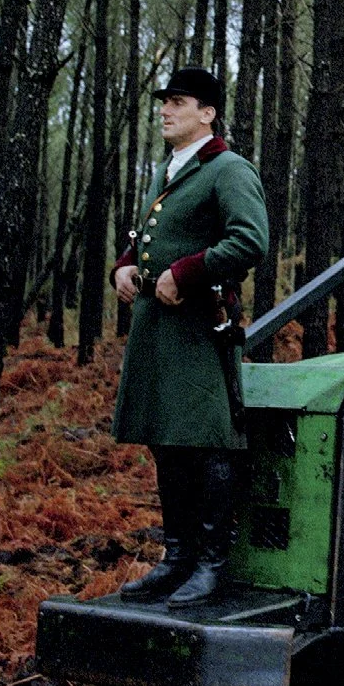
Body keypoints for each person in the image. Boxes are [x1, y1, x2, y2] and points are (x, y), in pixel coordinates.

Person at [110, 67, 268, 606]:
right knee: (166, 442)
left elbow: (249, 241)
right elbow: (150, 234)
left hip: (202, 327)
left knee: (206, 443)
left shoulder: (228, 169)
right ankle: (176, 559)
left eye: (177, 101)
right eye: (163, 102)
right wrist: (126, 266)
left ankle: (211, 564)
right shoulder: (168, 171)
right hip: (157, 326)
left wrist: (188, 272)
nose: (165, 110)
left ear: (208, 112)